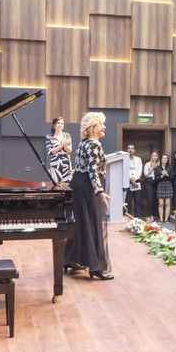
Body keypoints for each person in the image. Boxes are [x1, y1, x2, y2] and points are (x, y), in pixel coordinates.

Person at [66, 112, 113, 280]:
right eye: (101, 124)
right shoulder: (94, 145)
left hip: (79, 184)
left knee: (81, 224)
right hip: (88, 187)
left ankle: (72, 260)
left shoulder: (83, 144)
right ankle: (96, 267)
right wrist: (99, 192)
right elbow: (93, 170)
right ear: (93, 128)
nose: (104, 127)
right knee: (94, 224)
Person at [44, 116, 73, 183]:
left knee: (67, 185)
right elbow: (50, 152)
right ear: (54, 125)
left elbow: (69, 150)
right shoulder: (49, 137)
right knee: (57, 185)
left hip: (66, 164)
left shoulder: (67, 135)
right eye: (58, 123)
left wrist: (62, 147)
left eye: (62, 123)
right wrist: (62, 146)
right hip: (55, 165)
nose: (60, 125)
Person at [125, 144, 143, 217]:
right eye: (129, 148)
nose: (130, 150)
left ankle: (137, 217)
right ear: (127, 150)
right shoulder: (125, 159)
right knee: (128, 200)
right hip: (128, 181)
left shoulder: (138, 159)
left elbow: (140, 169)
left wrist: (135, 178)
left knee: (137, 200)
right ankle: (129, 217)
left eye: (132, 148)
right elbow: (125, 170)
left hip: (137, 181)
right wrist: (130, 178)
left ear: (134, 150)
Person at [155, 154, 173, 223]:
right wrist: (162, 175)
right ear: (161, 159)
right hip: (160, 185)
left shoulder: (170, 168)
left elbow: (172, 178)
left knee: (167, 204)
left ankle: (166, 219)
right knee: (161, 204)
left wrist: (167, 174)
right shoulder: (158, 168)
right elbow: (156, 179)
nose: (164, 159)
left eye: (166, 158)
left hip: (168, 185)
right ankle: (161, 219)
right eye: (163, 158)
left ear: (167, 160)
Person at [142, 151, 160, 219]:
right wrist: (152, 168)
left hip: (156, 182)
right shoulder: (147, 164)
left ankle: (154, 215)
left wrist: (157, 167)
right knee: (149, 199)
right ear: (151, 156)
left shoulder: (159, 164)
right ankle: (148, 215)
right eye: (153, 155)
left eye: (156, 156)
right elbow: (145, 174)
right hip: (149, 182)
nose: (154, 157)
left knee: (155, 199)